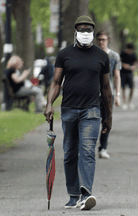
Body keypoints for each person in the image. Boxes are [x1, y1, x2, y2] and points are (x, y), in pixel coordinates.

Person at [44, 15, 112, 211]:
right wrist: (49, 103)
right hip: (69, 110)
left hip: (91, 111)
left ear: (93, 32)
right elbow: (56, 83)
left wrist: (109, 115)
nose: (85, 33)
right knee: (70, 153)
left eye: (88, 30)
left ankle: (86, 194)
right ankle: (73, 195)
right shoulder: (64, 54)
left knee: (88, 151)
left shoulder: (101, 56)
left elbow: (106, 88)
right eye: (81, 30)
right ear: (75, 32)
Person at [96, 30, 121, 159]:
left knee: (106, 121)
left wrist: (118, 94)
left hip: (108, 93)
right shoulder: (92, 55)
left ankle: (103, 148)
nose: (101, 42)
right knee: (92, 121)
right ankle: (88, 146)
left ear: (108, 41)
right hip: (93, 93)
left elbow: (117, 75)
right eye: (99, 39)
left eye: (103, 39)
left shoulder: (114, 56)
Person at [120, 43, 137, 110]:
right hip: (123, 72)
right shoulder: (123, 53)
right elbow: (119, 61)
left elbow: (135, 62)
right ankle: (124, 102)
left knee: (132, 88)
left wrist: (133, 67)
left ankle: (130, 101)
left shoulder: (133, 55)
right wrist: (124, 65)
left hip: (130, 73)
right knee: (123, 88)